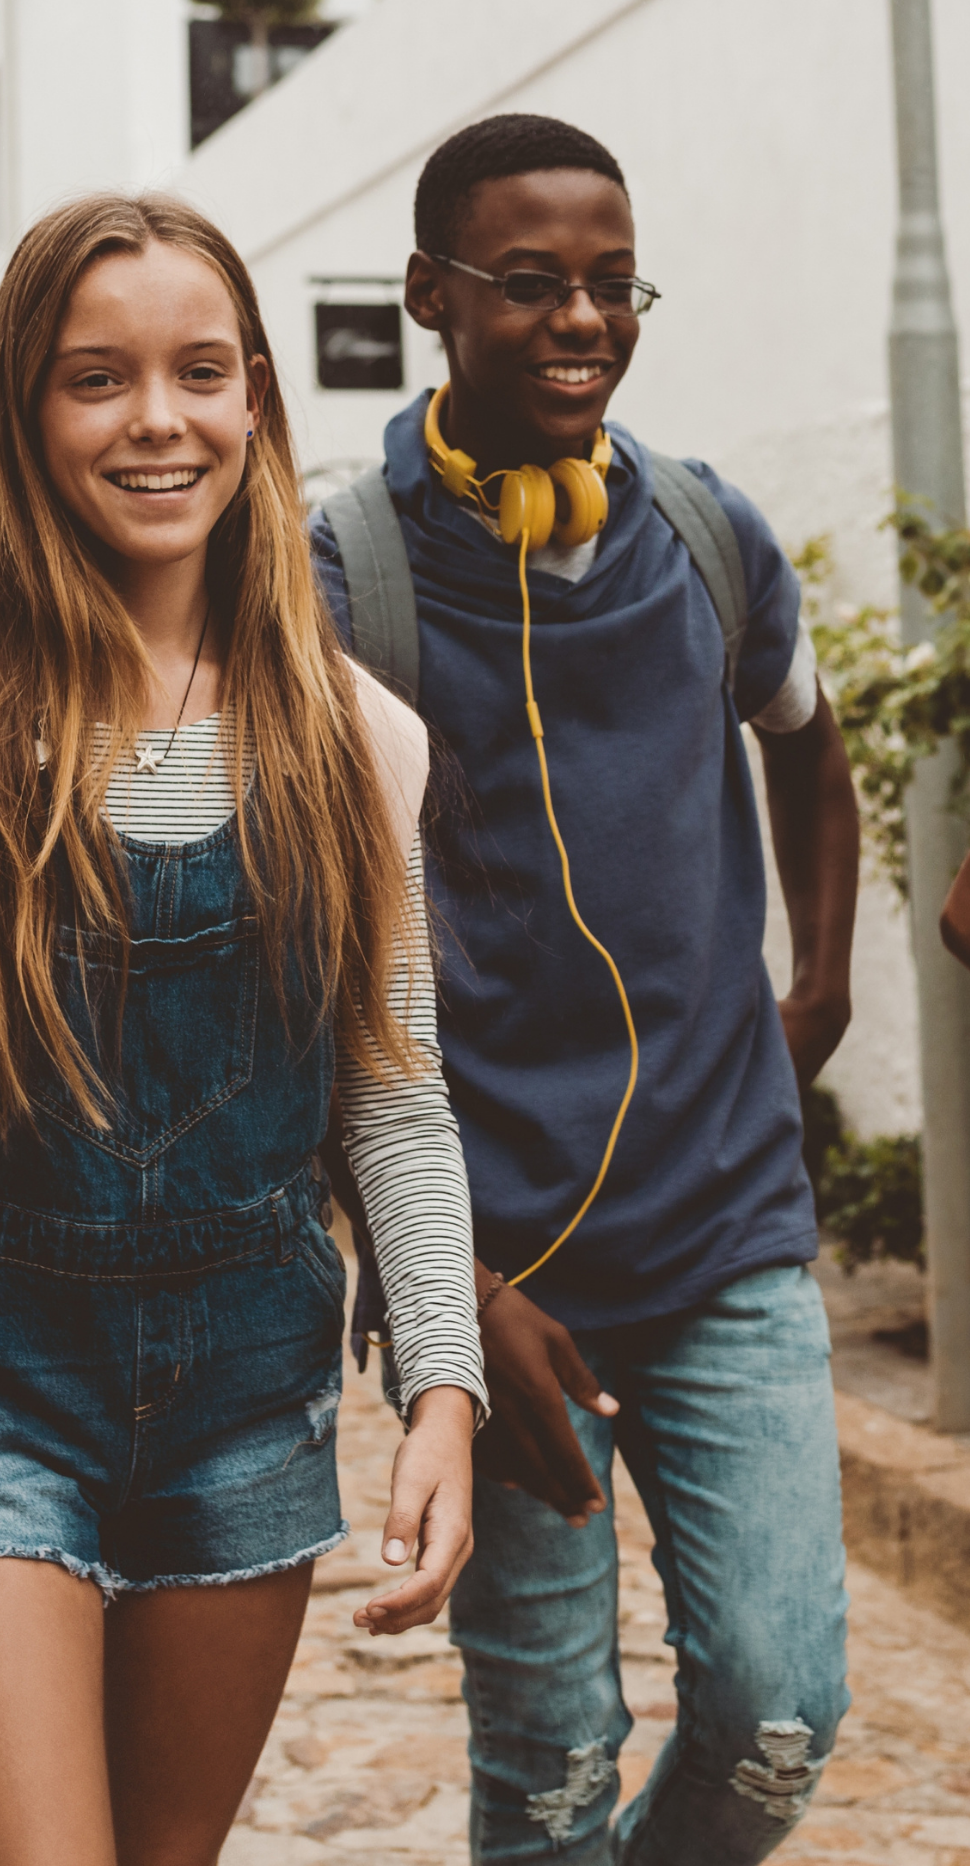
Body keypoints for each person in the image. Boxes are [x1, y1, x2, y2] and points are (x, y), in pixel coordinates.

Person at [0, 191, 487, 1866]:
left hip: (248, 1396)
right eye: (98, 378)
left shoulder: (355, 738)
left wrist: (440, 1385)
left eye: (200, 373)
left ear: (255, 403)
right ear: (22, 412)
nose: (159, 420)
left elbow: (394, 1101)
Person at [311, 113, 862, 1864]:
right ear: (428, 294)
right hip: (496, 1278)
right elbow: (298, 987)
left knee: (780, 1718)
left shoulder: (705, 533)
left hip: (726, 1237)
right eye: (532, 282)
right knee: (548, 1763)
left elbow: (809, 741)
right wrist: (447, 1296)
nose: (583, 321)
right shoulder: (340, 588)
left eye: (614, 286)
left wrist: (820, 991)